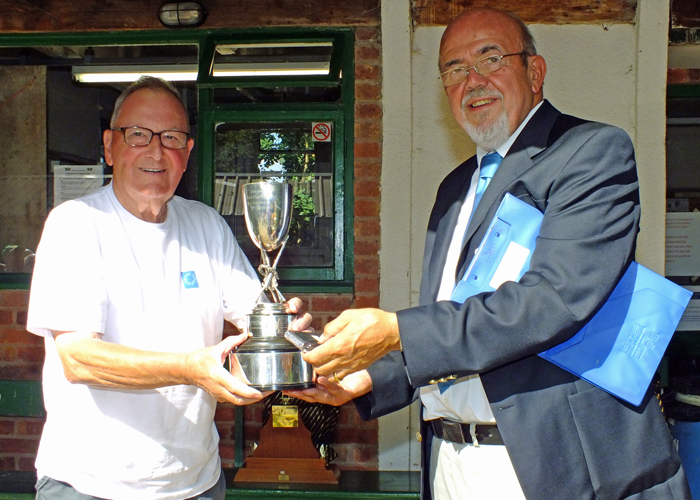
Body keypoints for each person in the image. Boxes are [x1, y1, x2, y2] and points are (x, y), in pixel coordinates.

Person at [289, 7, 692, 500]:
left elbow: (553, 301)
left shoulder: (590, 152)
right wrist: (365, 376)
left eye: (490, 58)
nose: (472, 80)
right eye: (454, 70)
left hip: (552, 466)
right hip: (450, 461)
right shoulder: (454, 188)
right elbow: (456, 317)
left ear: (535, 71)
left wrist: (395, 331)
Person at [27, 76, 309, 500]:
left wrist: (282, 326)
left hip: (196, 484)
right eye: (138, 135)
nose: (156, 151)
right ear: (109, 145)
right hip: (90, 485)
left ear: (187, 153)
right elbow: (79, 359)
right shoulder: (76, 223)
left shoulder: (206, 224)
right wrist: (190, 367)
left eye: (172, 137)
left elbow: (251, 315)